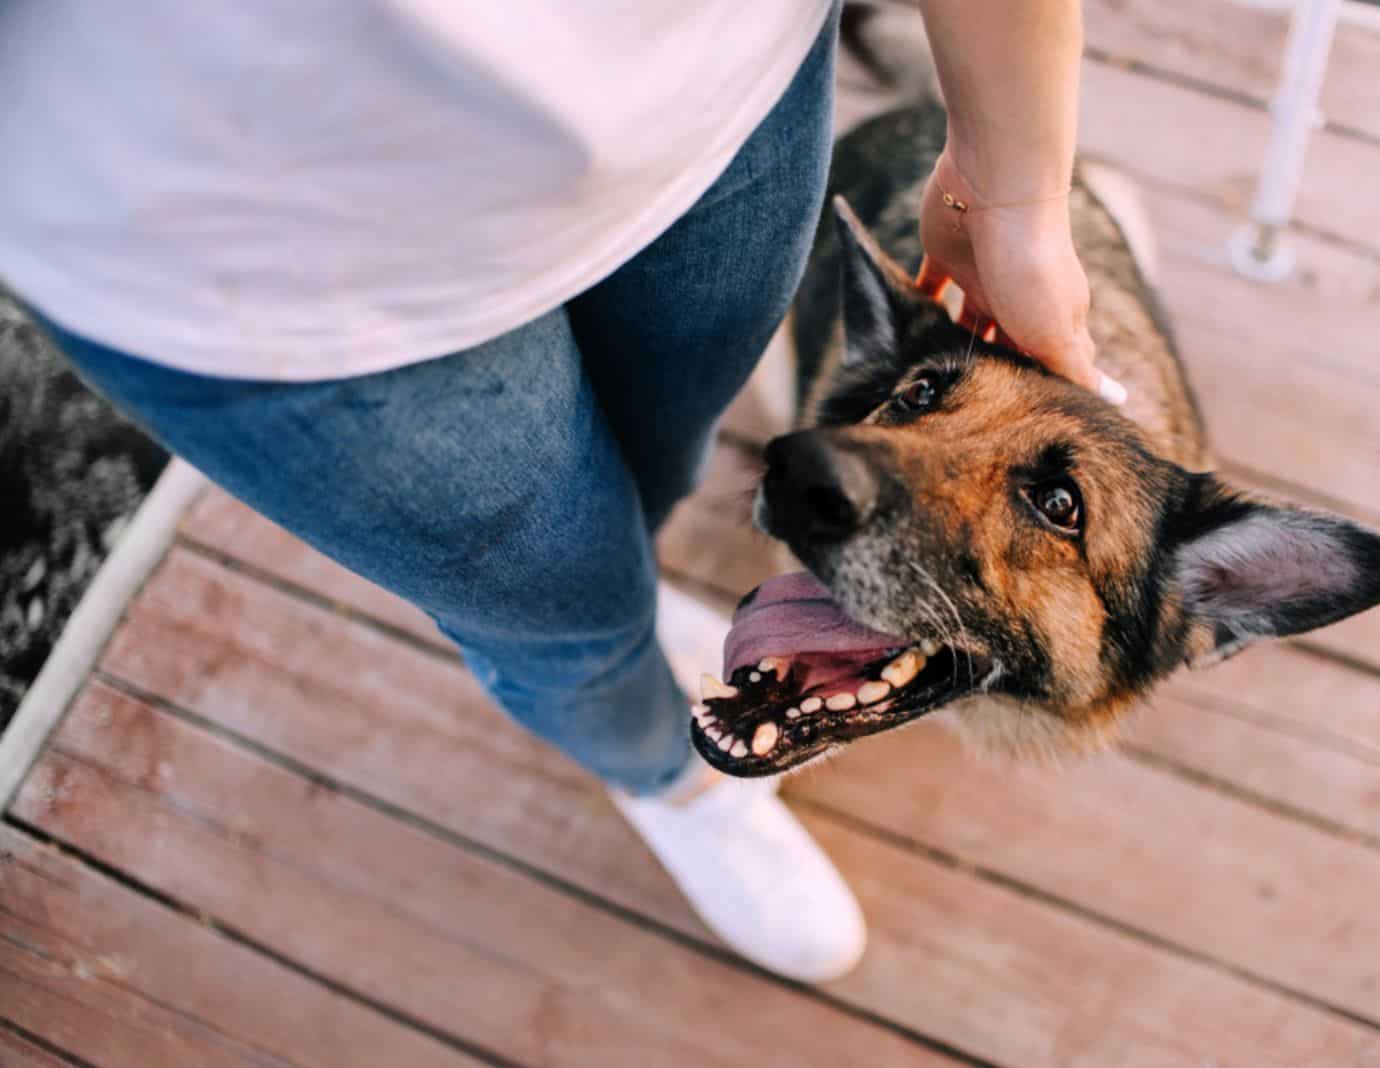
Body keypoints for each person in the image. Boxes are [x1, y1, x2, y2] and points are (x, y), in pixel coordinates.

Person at [0, 0, 1112, 981]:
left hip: (720, 98)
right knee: (558, 618)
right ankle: (673, 783)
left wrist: (1012, 202)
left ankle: (634, 590)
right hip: (261, 258)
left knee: (656, 467)